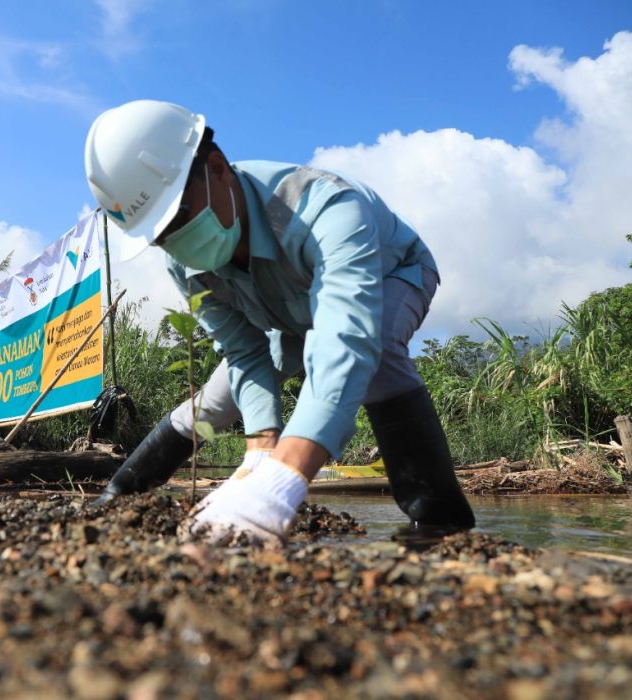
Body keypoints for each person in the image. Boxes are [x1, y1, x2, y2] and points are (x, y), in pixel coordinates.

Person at [84, 100, 475, 544]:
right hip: (288, 316)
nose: (175, 242)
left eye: (178, 218)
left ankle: (440, 523)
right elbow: (244, 352)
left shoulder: (327, 208)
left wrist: (284, 475)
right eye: (159, 237)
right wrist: (260, 449)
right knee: (215, 400)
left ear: (216, 168)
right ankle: (120, 492)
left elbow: (346, 338)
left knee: (378, 351)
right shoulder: (184, 263)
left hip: (391, 276)